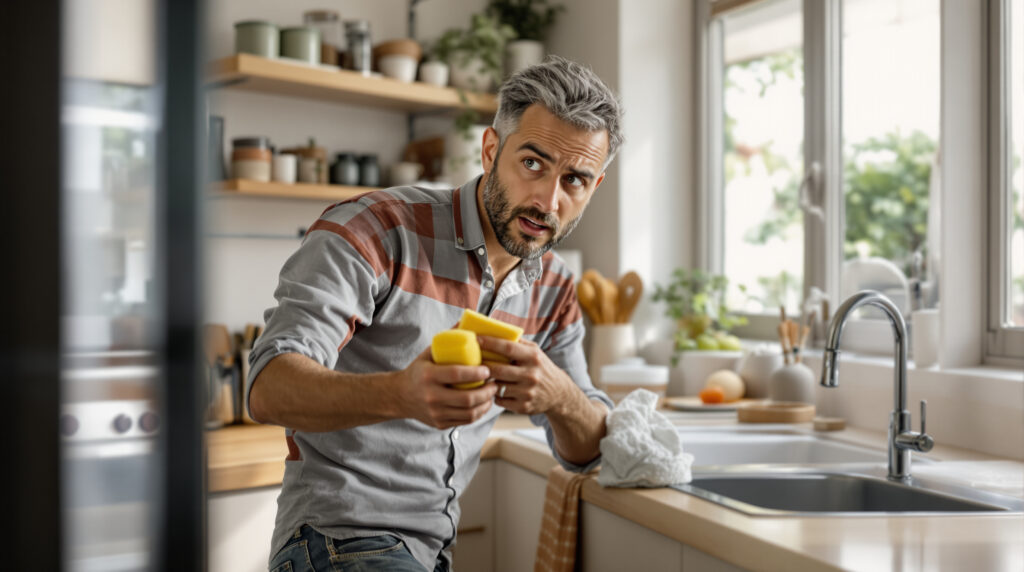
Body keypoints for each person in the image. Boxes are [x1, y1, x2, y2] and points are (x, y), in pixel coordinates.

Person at [248, 55, 625, 572]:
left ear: (594, 188)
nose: (547, 199)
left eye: (575, 180)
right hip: (333, 541)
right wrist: (399, 393)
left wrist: (561, 397)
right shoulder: (378, 229)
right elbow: (267, 387)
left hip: (431, 553)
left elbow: (589, 449)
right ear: (491, 150)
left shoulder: (553, 285)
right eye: (532, 163)